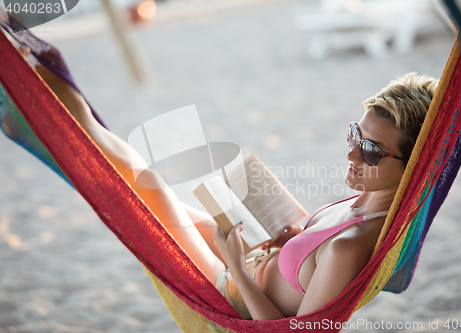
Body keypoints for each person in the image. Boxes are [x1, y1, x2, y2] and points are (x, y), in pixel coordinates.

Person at [18, 45, 438, 320]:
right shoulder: (359, 201)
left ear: (413, 165)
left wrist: (235, 264)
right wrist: (287, 241)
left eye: (370, 150)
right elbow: (307, 267)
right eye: (354, 135)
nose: (351, 154)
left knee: (137, 188)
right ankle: (39, 79)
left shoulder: (352, 247)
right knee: (138, 187)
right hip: (247, 262)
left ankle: (32, 79)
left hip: (229, 295)